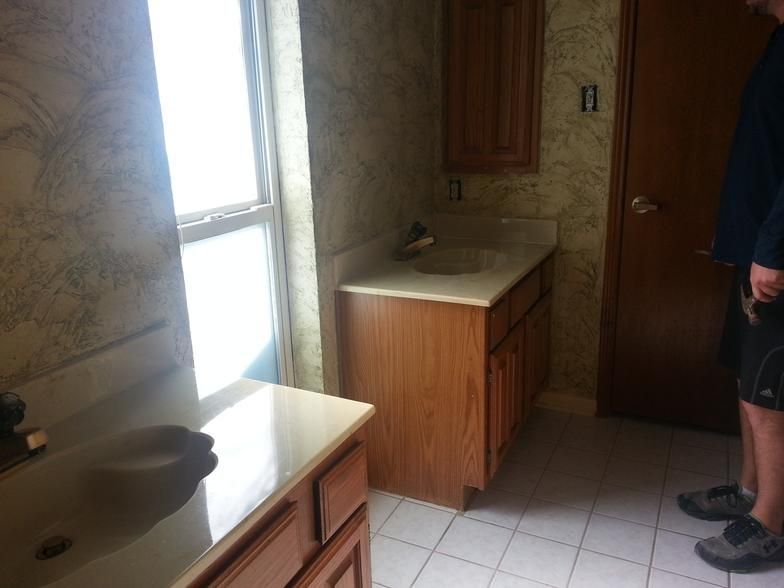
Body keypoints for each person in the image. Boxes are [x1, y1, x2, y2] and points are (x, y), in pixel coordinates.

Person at [676, 0, 784, 573]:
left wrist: (773, 251)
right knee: (747, 381)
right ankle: (747, 493)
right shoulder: (775, 43)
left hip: (774, 260)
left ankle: (770, 523)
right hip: (754, 254)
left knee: (769, 397)